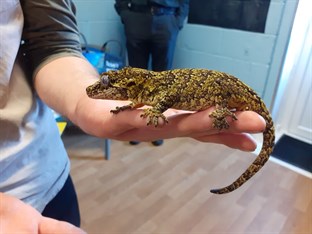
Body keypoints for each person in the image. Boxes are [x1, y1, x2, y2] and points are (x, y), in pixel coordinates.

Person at [0, 0, 266, 233]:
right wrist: (116, 105)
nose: (97, 90)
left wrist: (83, 101)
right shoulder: (143, 90)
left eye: (105, 84)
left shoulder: (153, 91)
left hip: (47, 175)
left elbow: (52, 39)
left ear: (127, 87)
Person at [114, 0, 189, 146]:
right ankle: (135, 126)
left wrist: (177, 22)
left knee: (162, 78)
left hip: (166, 21)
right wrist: (125, 14)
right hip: (136, 18)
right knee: (136, 78)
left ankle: (157, 127)